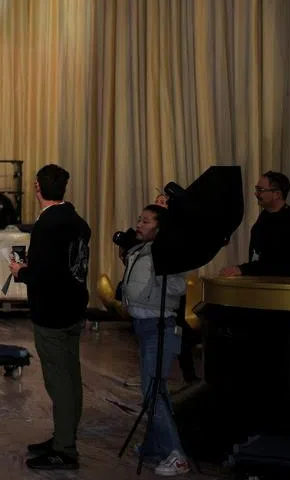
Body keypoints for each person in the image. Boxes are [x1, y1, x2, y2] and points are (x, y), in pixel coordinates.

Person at [10, 164, 91, 470]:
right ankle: (63, 437)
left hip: (52, 312)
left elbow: (44, 274)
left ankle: (65, 449)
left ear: (37, 188)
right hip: (74, 307)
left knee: (59, 383)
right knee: (71, 377)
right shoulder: (77, 221)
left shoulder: (47, 225)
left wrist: (21, 271)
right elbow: (69, 265)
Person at [122, 204, 190, 476]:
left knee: (153, 391)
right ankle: (155, 444)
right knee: (154, 389)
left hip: (159, 328)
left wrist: (162, 272)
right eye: (139, 219)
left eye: (146, 221)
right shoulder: (142, 250)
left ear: (160, 228)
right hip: (143, 326)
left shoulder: (165, 253)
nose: (139, 224)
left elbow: (178, 287)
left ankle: (176, 455)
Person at [219, 170, 290, 278]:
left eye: (260, 190)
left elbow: (281, 265)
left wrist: (242, 269)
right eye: (257, 189)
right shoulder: (265, 215)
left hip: (280, 286)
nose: (256, 194)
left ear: (277, 194)